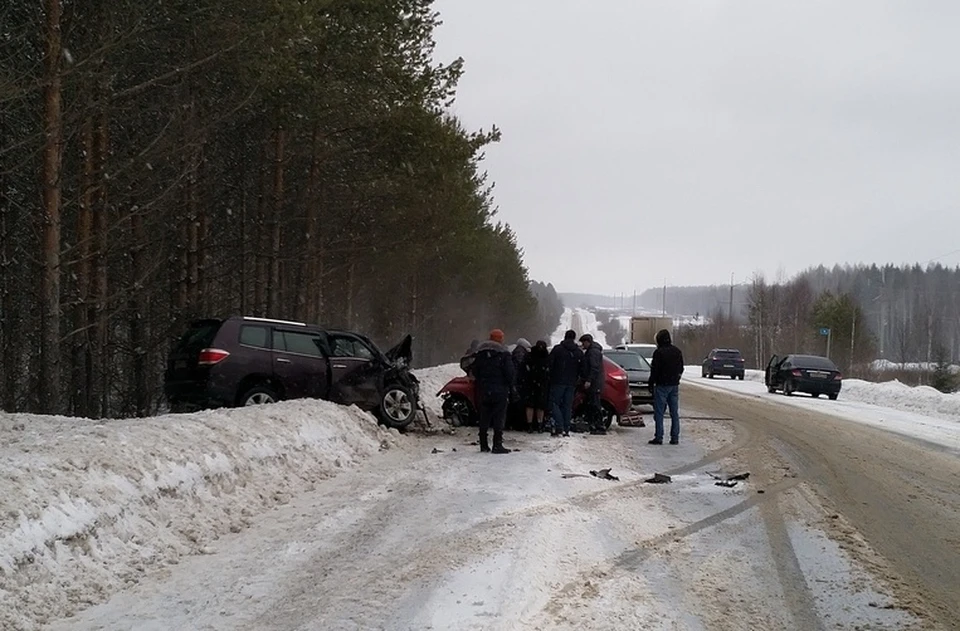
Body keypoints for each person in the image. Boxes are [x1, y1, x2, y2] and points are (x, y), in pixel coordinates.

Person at [471, 329, 515, 454]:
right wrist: (510, 384)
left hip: (485, 389)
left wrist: (482, 382)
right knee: (499, 417)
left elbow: (475, 370)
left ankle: (483, 444)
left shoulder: (481, 353)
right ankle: (497, 444)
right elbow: (510, 373)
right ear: (501, 339)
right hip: (500, 390)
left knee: (484, 416)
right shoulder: (504, 354)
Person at [648, 329, 684, 445]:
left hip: (662, 385)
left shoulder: (659, 353)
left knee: (659, 412)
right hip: (674, 385)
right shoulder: (677, 351)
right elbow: (681, 368)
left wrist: (651, 383)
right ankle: (675, 437)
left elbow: (655, 370)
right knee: (674, 413)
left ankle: (659, 437)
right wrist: (676, 378)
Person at [548, 330, 583, 437]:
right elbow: (582, 368)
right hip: (572, 382)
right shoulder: (578, 352)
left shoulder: (558, 350)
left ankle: (559, 425)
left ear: (565, 337)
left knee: (554, 403)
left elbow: (550, 364)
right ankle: (566, 428)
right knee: (567, 406)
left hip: (558, 381)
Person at [519, 340, 550, 432]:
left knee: (530, 405)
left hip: (530, 383)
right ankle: (539, 424)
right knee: (540, 406)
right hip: (541, 384)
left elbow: (523, 369)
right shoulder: (546, 357)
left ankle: (530, 425)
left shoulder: (529, 356)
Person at [579, 333, 606, 435]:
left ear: (587, 342)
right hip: (595, 383)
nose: (583, 345)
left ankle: (599, 426)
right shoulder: (593, 350)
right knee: (593, 404)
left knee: (595, 404)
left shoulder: (593, 352)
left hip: (594, 383)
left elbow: (594, 368)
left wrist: (589, 380)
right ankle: (595, 424)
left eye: (583, 343)